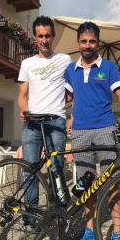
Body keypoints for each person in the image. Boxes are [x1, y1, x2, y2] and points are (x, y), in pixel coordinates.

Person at [65, 22, 120, 240]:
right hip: (81, 132)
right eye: (83, 41)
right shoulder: (70, 70)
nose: (87, 45)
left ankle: (116, 235)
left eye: (92, 41)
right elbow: (71, 97)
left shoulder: (109, 68)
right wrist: (71, 117)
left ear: (98, 42)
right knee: (86, 184)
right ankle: (91, 229)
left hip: (105, 129)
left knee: (114, 185)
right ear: (78, 43)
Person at [18, 16, 72, 227]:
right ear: (35, 38)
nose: (44, 40)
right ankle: (30, 219)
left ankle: (57, 216)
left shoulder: (65, 60)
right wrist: (23, 110)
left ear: (53, 37)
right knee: (30, 171)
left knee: (56, 170)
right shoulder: (27, 63)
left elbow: (71, 93)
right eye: (40, 36)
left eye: (48, 35)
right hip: (32, 125)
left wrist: (67, 111)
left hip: (56, 123)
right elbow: (22, 95)